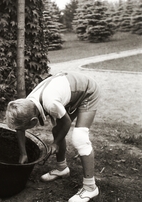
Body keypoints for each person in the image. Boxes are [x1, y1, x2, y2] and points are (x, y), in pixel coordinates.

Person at [6, 72, 100, 202]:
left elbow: (66, 122)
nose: (21, 130)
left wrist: (55, 144)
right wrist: (23, 153)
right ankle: (62, 168)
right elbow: (20, 129)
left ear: (34, 121)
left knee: (80, 138)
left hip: (87, 91)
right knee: (57, 131)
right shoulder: (26, 103)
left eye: (24, 127)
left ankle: (90, 187)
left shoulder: (50, 104)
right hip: (69, 89)